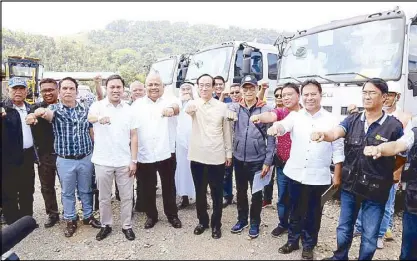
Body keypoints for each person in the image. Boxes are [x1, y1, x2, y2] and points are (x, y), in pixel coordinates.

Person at [314, 78, 404, 260]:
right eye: (364, 93)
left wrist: (393, 174)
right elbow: (335, 133)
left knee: (370, 235)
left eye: (372, 93)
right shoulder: (352, 119)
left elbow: (401, 154)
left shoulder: (394, 126)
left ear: (384, 97)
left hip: (376, 190)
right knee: (344, 227)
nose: (367, 97)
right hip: (350, 186)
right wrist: (324, 135)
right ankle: (340, 257)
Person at [265, 80, 344, 260]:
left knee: (313, 213)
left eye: (313, 94)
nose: (309, 98)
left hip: (318, 176)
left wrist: (337, 176)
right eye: (306, 94)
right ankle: (292, 241)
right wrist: (275, 128)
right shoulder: (295, 116)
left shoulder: (332, 120)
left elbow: (338, 150)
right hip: (295, 173)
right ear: (301, 96)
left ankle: (309, 245)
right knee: (295, 210)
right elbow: (283, 126)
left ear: (320, 95)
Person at [33, 77, 101, 237]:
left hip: (85, 157)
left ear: (77, 91)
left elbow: (99, 103)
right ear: (60, 91)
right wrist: (38, 112)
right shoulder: (54, 109)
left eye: (71, 88)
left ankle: (88, 216)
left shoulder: (86, 109)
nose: (68, 91)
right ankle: (70, 220)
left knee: (86, 189)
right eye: (65, 88)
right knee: (67, 192)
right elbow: (46, 114)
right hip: (65, 160)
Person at [353, 80, 412, 248]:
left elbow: (403, 149)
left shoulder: (404, 118)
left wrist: (397, 170)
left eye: (391, 95)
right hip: (366, 169)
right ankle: (359, 227)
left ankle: (380, 233)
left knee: (386, 203)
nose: (387, 99)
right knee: (363, 199)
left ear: (396, 97)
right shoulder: (369, 115)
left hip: (388, 169)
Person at [87, 74, 138, 241]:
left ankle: (127, 226)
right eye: (112, 87)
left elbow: (134, 136)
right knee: (104, 197)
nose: (116, 90)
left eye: (119, 87)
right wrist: (100, 118)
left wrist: (134, 160)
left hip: (124, 161)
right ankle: (106, 225)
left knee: (126, 196)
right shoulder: (98, 105)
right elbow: (90, 118)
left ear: (123, 89)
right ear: (106, 88)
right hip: (103, 161)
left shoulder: (130, 109)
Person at [226, 75, 275, 238]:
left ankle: (254, 222)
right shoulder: (234, 108)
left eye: (251, 88)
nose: (248, 91)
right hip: (239, 159)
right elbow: (221, 113)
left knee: (256, 194)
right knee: (240, 192)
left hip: (258, 160)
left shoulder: (265, 109)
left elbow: (271, 137)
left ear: (256, 89)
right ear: (241, 90)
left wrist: (268, 160)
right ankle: (242, 220)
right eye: (245, 88)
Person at [131, 72, 182, 229]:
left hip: (166, 151)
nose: (153, 87)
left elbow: (177, 107)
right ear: (146, 87)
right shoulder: (137, 105)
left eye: (156, 84)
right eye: (150, 84)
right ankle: (151, 215)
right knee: (148, 187)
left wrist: (170, 109)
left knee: (168, 186)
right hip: (145, 153)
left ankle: (172, 215)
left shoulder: (170, 100)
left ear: (163, 86)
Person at [251, 83, 302, 237]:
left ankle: (297, 229)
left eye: (289, 94)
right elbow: (270, 115)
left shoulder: (306, 114)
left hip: (301, 165)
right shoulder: (281, 112)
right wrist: (259, 117)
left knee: (299, 199)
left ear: (298, 95)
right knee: (282, 198)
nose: (285, 98)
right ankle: (283, 224)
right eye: (282, 95)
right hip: (282, 163)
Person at [186, 74, 233, 239]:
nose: (204, 88)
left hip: (217, 156)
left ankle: (216, 224)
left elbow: (227, 132)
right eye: (201, 85)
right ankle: (202, 222)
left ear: (214, 87)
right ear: (197, 87)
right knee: (199, 192)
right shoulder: (193, 105)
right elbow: (188, 110)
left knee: (216, 193)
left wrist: (229, 153)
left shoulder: (222, 107)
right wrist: (189, 109)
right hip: (197, 156)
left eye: (208, 85)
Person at [362, 127, 417, 260]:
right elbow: (397, 145)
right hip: (414, 202)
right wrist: (380, 149)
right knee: (409, 251)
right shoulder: (414, 133)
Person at [1, 77, 37, 225]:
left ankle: (27, 220)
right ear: (8, 90)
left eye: (21, 89)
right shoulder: (4, 109)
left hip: (27, 155)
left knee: (27, 189)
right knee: (9, 189)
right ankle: (12, 221)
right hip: (7, 156)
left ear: (26, 91)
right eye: (14, 89)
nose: (18, 92)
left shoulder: (30, 108)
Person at [26, 78, 60, 228]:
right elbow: (29, 118)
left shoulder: (64, 106)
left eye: (51, 89)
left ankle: (71, 213)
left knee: (69, 185)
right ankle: (52, 214)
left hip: (64, 153)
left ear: (57, 89)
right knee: (47, 186)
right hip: (45, 154)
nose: (48, 93)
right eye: (44, 90)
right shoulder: (35, 107)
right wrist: (31, 118)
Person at [213, 76, 234, 207]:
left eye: (221, 84)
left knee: (229, 168)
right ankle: (225, 194)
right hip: (219, 137)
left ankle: (229, 194)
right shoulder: (212, 99)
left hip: (231, 135)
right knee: (224, 170)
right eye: (216, 85)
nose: (219, 87)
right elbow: (217, 112)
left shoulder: (230, 97)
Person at [262, 86, 285, 208]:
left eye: (282, 95)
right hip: (271, 148)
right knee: (268, 175)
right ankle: (267, 199)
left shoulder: (291, 113)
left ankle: (282, 202)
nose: (279, 98)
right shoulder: (271, 110)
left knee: (282, 180)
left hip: (285, 151)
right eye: (277, 96)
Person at [175, 82, 196, 209]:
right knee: (182, 170)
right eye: (183, 89)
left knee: (197, 170)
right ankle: (184, 198)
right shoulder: (176, 104)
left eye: (188, 88)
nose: (186, 91)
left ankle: (199, 198)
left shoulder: (197, 103)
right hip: (180, 143)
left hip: (195, 142)